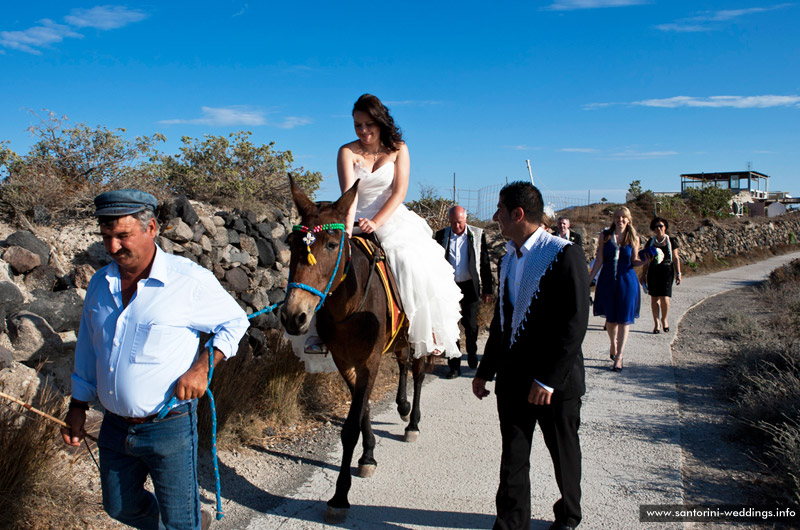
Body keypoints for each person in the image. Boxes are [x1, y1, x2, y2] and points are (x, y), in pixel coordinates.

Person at [61, 189, 249, 530]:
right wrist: (78, 404)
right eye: (106, 237)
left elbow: (235, 323)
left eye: (122, 236)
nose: (113, 247)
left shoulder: (188, 281)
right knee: (120, 508)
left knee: (179, 522)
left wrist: (202, 367)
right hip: (115, 427)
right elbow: (89, 348)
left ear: (151, 228)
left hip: (169, 426)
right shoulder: (101, 284)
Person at [473, 182, 589, 530]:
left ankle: (568, 516)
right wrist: (484, 370)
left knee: (563, 455)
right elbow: (502, 322)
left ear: (517, 214)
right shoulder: (509, 257)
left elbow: (575, 322)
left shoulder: (564, 253)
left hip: (555, 382)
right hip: (513, 379)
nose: (495, 218)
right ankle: (511, 522)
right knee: (513, 455)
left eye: (500, 210)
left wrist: (548, 379)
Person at [335, 93, 463, 358]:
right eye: (358, 125)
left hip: (391, 217)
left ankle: (425, 329)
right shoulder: (346, 152)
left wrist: (377, 222)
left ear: (380, 122)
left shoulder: (398, 148)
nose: (363, 130)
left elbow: (399, 193)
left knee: (410, 260)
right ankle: (320, 332)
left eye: (368, 124)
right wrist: (346, 234)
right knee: (329, 264)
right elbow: (349, 196)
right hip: (356, 217)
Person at [435, 205, 494, 378]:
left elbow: (484, 262)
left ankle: (472, 352)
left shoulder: (477, 234)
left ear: (465, 219)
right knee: (451, 326)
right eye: (453, 223)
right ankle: (454, 366)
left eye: (459, 222)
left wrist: (487, 289)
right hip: (449, 287)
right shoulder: (441, 236)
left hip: (470, 285)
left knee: (471, 325)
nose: (457, 226)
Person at [589, 206, 649, 372]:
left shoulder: (633, 237)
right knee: (610, 319)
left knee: (624, 319)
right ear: (613, 219)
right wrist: (589, 278)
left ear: (628, 219)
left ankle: (619, 356)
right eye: (617, 217)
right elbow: (599, 259)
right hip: (607, 279)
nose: (620, 219)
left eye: (623, 217)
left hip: (627, 281)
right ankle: (613, 343)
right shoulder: (605, 236)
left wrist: (645, 261)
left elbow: (635, 261)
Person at [641, 217, 681, 333]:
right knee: (654, 298)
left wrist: (678, 273)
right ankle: (657, 323)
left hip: (667, 272)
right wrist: (643, 274)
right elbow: (646, 260)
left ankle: (664, 319)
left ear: (665, 228)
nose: (659, 228)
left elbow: (675, 258)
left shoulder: (671, 241)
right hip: (653, 272)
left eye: (661, 226)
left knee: (665, 298)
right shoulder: (650, 242)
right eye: (656, 226)